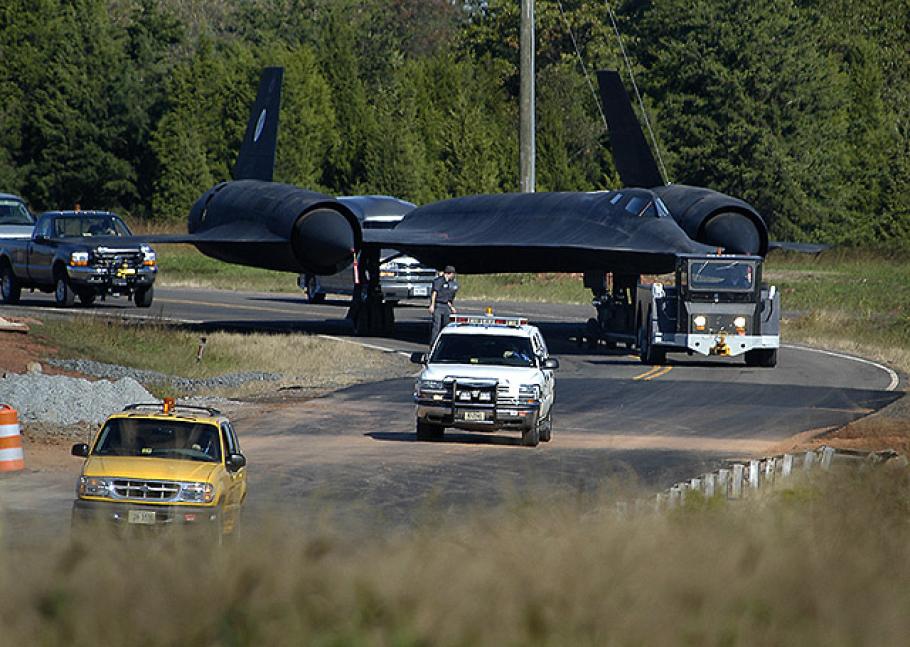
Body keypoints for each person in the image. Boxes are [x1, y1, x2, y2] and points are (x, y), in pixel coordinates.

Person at [429, 265, 458, 345]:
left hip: (446, 306)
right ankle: (433, 343)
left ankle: (443, 343)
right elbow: (434, 293)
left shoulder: (450, 283)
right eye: (453, 273)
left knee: (446, 325)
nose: (454, 275)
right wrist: (432, 305)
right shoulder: (439, 281)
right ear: (449, 273)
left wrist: (452, 307)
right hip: (438, 305)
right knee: (436, 326)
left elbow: (447, 298)